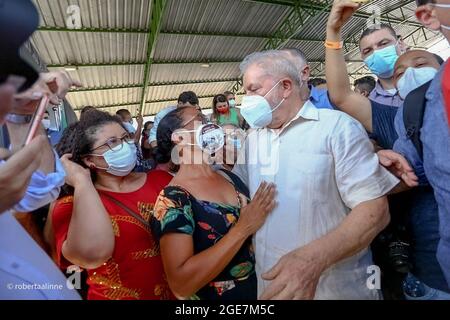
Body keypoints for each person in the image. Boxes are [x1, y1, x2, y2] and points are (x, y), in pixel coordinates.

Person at [232, 49, 399, 300]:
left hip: (335, 289)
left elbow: (375, 211)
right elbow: (236, 189)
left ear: (286, 86)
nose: (247, 100)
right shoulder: (253, 139)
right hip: (272, 287)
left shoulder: (337, 128)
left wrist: (313, 259)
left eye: (253, 89)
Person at [326, 0, 450, 300]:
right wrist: (333, 32)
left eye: (383, 43)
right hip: (424, 252)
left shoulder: (438, 98)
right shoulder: (398, 114)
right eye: (367, 50)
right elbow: (341, 95)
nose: (409, 73)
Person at [151, 107, 276, 300]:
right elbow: (181, 285)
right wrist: (242, 228)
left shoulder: (228, 176)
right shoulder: (172, 200)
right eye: (200, 118)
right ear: (179, 137)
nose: (209, 122)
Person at [51, 110, 174, 300]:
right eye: (113, 142)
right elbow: (91, 255)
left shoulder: (162, 180)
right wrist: (82, 181)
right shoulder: (71, 206)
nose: (125, 146)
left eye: (125, 138)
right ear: (89, 160)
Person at [393, 0, 450, 291]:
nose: (411, 73)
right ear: (428, 15)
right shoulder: (414, 112)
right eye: (400, 72)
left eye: (420, 64)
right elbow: (411, 169)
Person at [358, 23, 407, 107]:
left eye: (384, 44)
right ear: (363, 59)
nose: (377, 53)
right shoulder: (371, 105)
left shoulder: (430, 80)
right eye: (368, 51)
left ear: (400, 44)